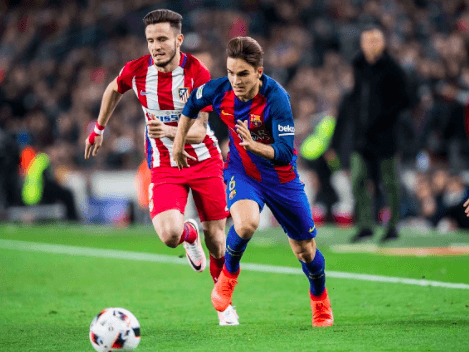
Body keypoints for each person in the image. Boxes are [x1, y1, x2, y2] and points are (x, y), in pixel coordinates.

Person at [84, 9, 237, 326]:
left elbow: (201, 128)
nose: (156, 46)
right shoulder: (137, 71)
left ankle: (224, 306)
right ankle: (188, 233)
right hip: (164, 164)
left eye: (163, 39)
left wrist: (169, 131)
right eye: (151, 40)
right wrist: (99, 129)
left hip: (203, 160)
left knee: (218, 241)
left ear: (178, 39)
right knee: (169, 235)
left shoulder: (197, 73)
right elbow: (113, 88)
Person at [173, 36, 334, 327]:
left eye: (243, 73)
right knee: (245, 224)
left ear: (259, 72)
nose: (235, 79)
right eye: (231, 72)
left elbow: (285, 153)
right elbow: (190, 106)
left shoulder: (277, 98)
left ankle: (320, 298)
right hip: (242, 172)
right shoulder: (219, 90)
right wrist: (178, 143)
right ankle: (227, 280)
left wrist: (255, 146)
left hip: (281, 180)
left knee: (306, 251)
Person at [330, 25, 410, 243]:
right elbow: (357, 98)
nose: (370, 45)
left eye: (375, 41)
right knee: (357, 179)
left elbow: (406, 98)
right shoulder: (358, 65)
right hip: (362, 137)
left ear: (382, 44)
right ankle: (365, 225)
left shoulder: (392, 69)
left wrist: (385, 118)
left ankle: (392, 226)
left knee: (389, 181)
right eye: (367, 41)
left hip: (385, 136)